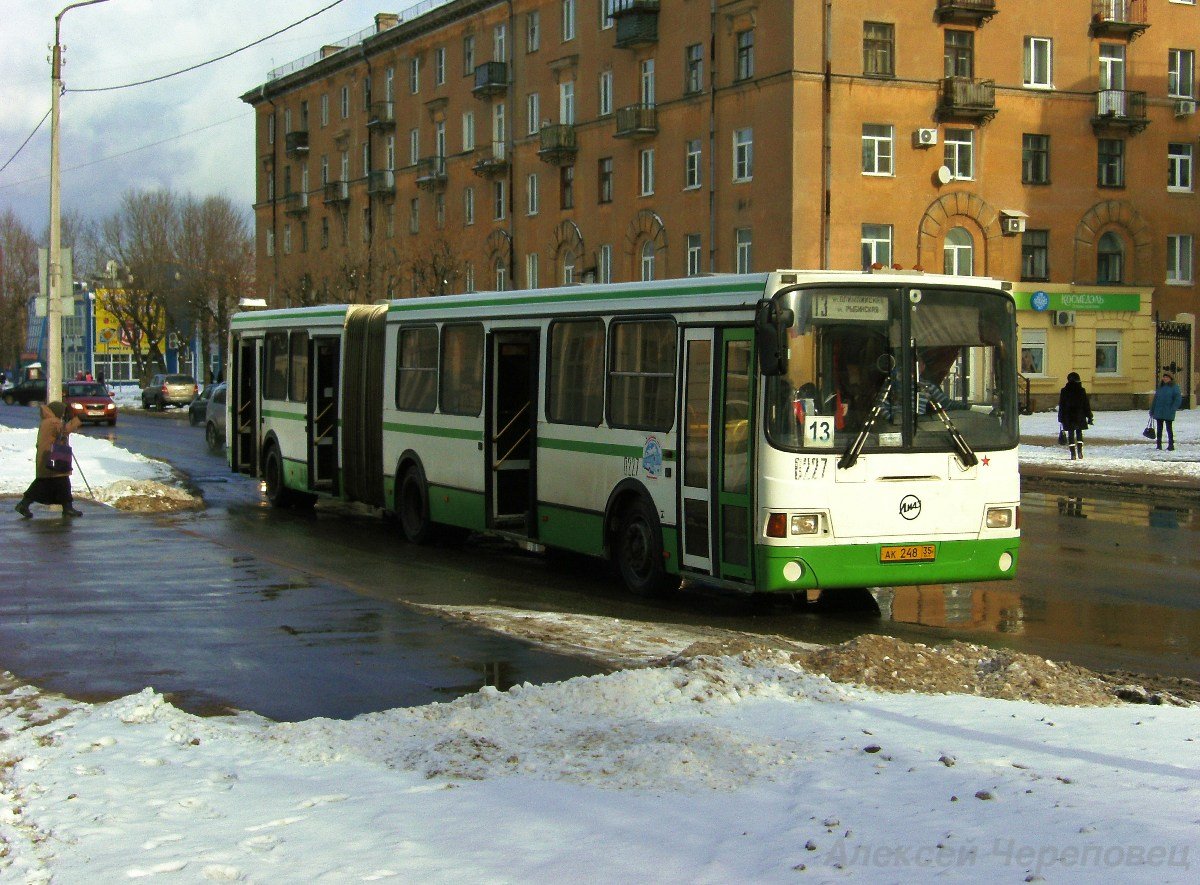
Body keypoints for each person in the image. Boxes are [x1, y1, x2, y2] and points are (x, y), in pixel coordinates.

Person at [14, 401, 84, 518]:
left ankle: (24, 504)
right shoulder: (53, 421)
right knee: (60, 481)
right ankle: (67, 509)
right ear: (58, 412)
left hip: (48, 456)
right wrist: (77, 420)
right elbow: (64, 430)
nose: (62, 415)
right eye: (62, 413)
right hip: (52, 457)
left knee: (46, 483)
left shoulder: (48, 421)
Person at [1057, 371, 1093, 461]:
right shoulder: (1081, 390)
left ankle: (1073, 454)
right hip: (1080, 415)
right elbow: (1086, 404)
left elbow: (1061, 405)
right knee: (1079, 432)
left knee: (1071, 434)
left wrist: (1060, 418)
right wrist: (1089, 416)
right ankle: (1080, 451)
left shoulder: (1064, 391)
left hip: (1068, 416)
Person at [1149, 371, 1182, 451]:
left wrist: (1173, 408)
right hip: (1159, 411)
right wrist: (1152, 410)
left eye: (1166, 377)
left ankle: (1171, 445)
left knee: (1169, 428)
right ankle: (1158, 445)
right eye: (1164, 377)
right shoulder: (1160, 387)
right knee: (1159, 429)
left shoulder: (1174, 387)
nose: (1165, 379)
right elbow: (1155, 399)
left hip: (1168, 411)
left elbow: (1177, 399)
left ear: (1170, 378)